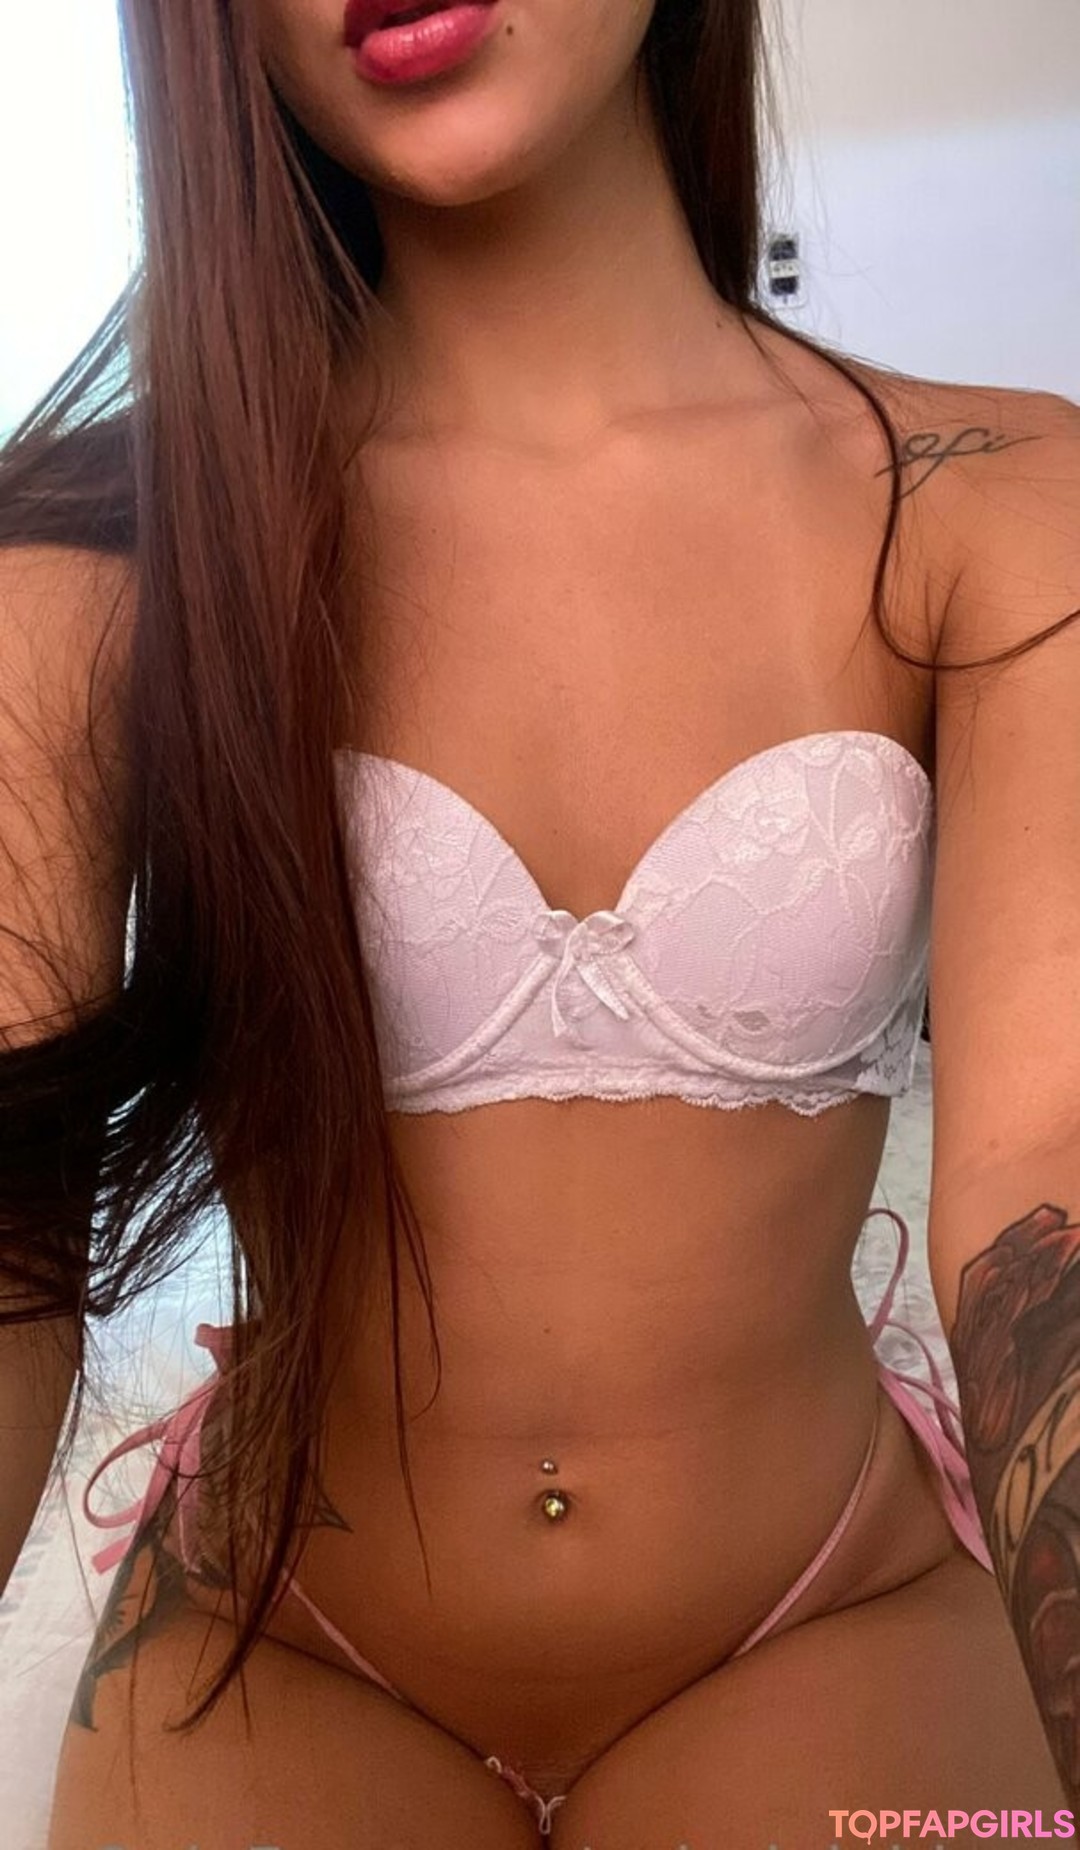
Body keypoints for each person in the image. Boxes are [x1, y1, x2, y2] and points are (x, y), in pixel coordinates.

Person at [1, 1, 1079, 1844]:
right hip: (288, 1641)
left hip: (833, 1614)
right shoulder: (94, 565)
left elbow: (1046, 1166)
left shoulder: (999, 504)